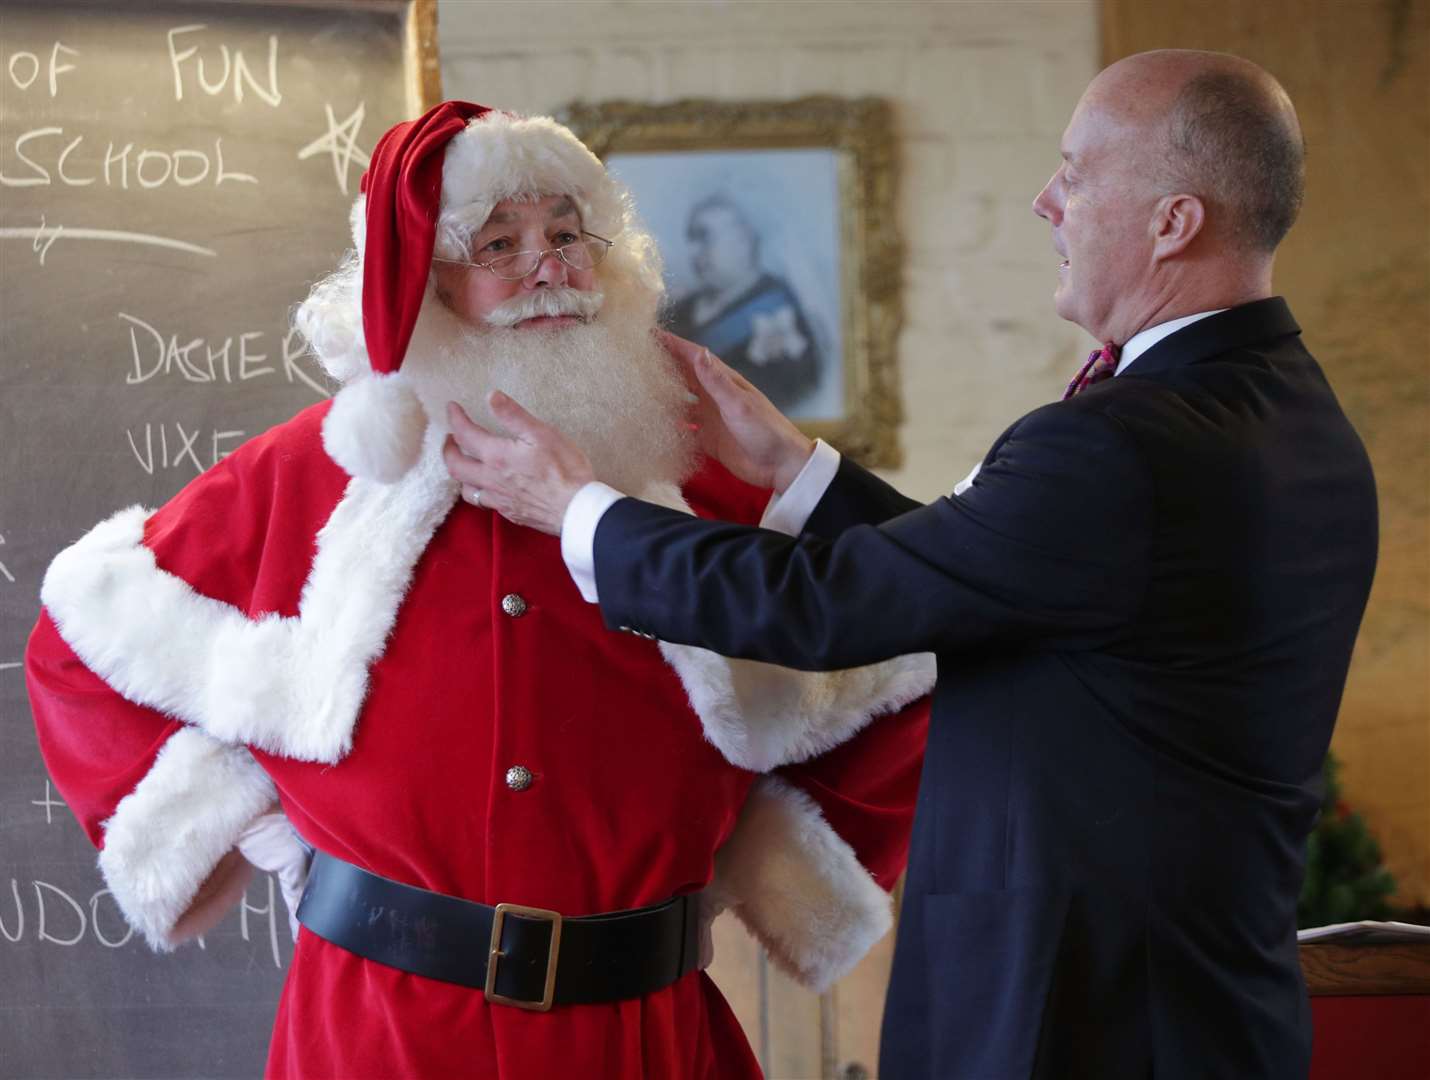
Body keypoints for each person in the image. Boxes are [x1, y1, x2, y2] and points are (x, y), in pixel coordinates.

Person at [441, 51, 1380, 1078]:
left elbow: (823, 607)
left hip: (1080, 1020)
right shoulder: (1291, 415)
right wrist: (797, 471)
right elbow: (1018, 578)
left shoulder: (1121, 444)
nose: (1043, 201)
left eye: (1074, 172)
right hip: (1199, 1009)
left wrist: (577, 510)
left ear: (1171, 222)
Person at [25, 102, 933, 1079]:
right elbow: (87, 635)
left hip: (643, 1034)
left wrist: (760, 853)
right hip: (383, 1032)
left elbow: (903, 648)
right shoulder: (305, 476)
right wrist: (257, 813)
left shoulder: (701, 481)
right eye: (499, 243)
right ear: (421, 283)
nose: (551, 269)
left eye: (567, 234)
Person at [667, 193, 824, 411]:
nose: (693, 251)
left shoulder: (778, 306)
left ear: (743, 241)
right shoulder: (679, 308)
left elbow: (793, 397)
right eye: (691, 239)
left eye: (704, 237)